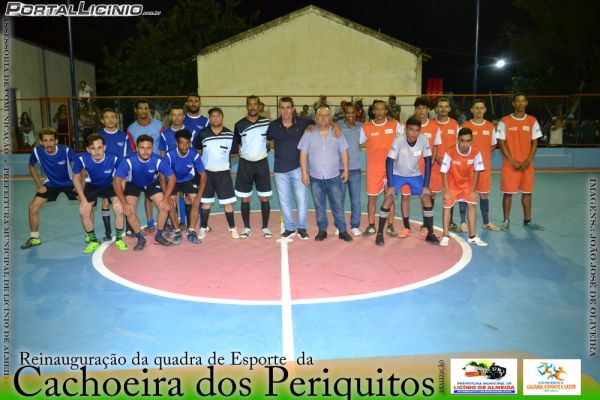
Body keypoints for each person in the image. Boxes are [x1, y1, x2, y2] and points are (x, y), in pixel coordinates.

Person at [374, 117, 437, 246]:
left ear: (420, 131)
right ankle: (379, 234)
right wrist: (391, 185)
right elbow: (389, 161)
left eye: (417, 130)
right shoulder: (399, 140)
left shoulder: (424, 139)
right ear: (406, 129)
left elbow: (428, 162)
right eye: (411, 130)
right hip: (397, 174)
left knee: (426, 197)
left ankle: (430, 233)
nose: (413, 133)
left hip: (415, 174)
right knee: (388, 198)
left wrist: (426, 185)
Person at [113, 134, 176, 250]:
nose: (145, 151)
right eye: (142, 148)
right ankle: (140, 238)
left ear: (152, 148)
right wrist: (124, 203)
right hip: (133, 184)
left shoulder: (158, 160)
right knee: (129, 211)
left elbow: (172, 177)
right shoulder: (128, 160)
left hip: (150, 184)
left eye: (149, 148)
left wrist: (167, 198)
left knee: (164, 207)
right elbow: (116, 181)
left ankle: (159, 236)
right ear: (136, 148)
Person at [299, 106, 352, 242]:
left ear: (330, 118)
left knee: (338, 205)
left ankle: (342, 230)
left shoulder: (337, 133)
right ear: (315, 118)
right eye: (320, 115)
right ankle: (322, 230)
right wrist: (304, 173)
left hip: (333, 177)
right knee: (319, 206)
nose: (323, 118)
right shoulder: (309, 133)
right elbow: (303, 153)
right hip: (315, 178)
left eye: (326, 116)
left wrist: (346, 170)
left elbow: (344, 151)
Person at [21, 128, 77, 249]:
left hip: (70, 183)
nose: (49, 143)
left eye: (51, 140)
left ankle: (91, 236)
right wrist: (39, 185)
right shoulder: (37, 152)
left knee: (88, 203)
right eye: (45, 141)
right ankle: (35, 238)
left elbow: (80, 166)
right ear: (41, 142)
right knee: (33, 207)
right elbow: (31, 165)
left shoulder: (66, 151)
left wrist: (80, 186)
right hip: (51, 184)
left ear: (56, 141)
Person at [266, 96, 314, 239]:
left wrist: (312, 126)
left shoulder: (303, 122)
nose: (285, 111)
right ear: (279, 109)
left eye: (288, 107)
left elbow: (319, 122)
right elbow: (267, 139)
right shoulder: (273, 125)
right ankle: (289, 228)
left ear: (293, 109)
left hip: (298, 168)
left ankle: (302, 227)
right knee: (284, 201)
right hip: (280, 170)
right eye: (282, 107)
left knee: (301, 200)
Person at [72, 134, 127, 253]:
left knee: (119, 208)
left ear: (104, 147)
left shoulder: (114, 159)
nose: (97, 152)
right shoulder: (82, 158)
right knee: (84, 210)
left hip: (110, 185)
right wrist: (83, 200)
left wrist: (120, 198)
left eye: (99, 147)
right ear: (88, 149)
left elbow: (122, 178)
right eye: (93, 148)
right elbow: (75, 178)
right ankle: (93, 241)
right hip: (92, 186)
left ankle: (118, 239)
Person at [496, 93, 544, 230]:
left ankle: (528, 220)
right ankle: (506, 221)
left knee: (527, 193)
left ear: (526, 103)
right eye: (517, 101)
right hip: (510, 165)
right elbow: (501, 142)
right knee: (508, 193)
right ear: (513, 103)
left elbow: (535, 142)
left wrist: (529, 160)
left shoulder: (532, 120)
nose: (520, 104)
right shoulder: (504, 121)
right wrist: (511, 160)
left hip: (527, 164)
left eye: (523, 101)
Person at [193, 107, 240, 239]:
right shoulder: (202, 133)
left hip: (223, 174)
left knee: (228, 203)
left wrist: (222, 159)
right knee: (206, 202)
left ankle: (233, 228)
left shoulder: (230, 135)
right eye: (212, 116)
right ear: (210, 119)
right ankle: (203, 227)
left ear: (222, 117)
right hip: (207, 174)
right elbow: (198, 151)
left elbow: (235, 152)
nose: (215, 118)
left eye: (218, 116)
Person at [360, 99, 403, 237]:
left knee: (390, 197)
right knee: (372, 198)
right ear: (373, 111)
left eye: (382, 109)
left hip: (391, 169)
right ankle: (372, 225)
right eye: (376, 109)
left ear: (386, 111)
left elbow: (406, 139)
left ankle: (390, 225)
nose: (379, 112)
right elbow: (358, 143)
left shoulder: (395, 125)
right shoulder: (366, 127)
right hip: (373, 170)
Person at [400, 97, 441, 237]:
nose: (421, 110)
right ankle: (406, 227)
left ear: (428, 110)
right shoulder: (405, 125)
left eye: (424, 108)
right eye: (418, 108)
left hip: (427, 169)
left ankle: (425, 224)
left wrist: (432, 161)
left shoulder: (435, 127)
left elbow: (435, 147)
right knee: (405, 196)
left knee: (427, 196)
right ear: (415, 109)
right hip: (407, 169)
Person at [439, 128, 488, 247]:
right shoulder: (450, 152)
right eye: (462, 141)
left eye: (468, 141)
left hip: (467, 184)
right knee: (447, 207)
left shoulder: (476, 152)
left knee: (472, 205)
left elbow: (477, 171)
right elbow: (444, 171)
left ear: (472, 141)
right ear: (457, 140)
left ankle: (472, 236)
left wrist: (473, 190)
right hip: (452, 184)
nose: (465, 144)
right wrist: (446, 190)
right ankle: (445, 235)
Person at [234, 95, 273, 239]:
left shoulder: (267, 122)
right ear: (246, 106)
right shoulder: (239, 124)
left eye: (255, 104)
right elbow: (237, 145)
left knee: (264, 198)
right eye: (249, 104)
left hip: (262, 164)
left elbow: (270, 141)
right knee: (245, 198)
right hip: (245, 165)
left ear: (259, 106)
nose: (252, 107)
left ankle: (265, 227)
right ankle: (246, 228)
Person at [461, 99, 500, 231]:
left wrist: (482, 155)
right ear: (471, 110)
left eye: (481, 108)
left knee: (483, 194)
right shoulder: (465, 125)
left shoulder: (490, 126)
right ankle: (463, 223)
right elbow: (460, 144)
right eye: (476, 108)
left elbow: (494, 144)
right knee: (464, 193)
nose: (478, 110)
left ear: (485, 110)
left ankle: (486, 222)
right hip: (467, 167)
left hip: (484, 168)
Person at [127, 99, 165, 232]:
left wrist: (162, 166)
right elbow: (132, 150)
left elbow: (162, 146)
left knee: (156, 196)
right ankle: (149, 222)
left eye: (146, 108)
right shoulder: (131, 129)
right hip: (139, 168)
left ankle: (164, 224)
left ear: (149, 110)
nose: (144, 111)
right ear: (136, 110)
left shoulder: (159, 125)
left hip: (156, 167)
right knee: (143, 197)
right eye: (141, 108)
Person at [164, 129, 207, 244]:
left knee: (195, 202)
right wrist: (166, 196)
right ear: (177, 143)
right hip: (173, 180)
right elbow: (161, 176)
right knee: (171, 204)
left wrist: (199, 195)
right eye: (181, 143)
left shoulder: (194, 155)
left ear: (190, 143)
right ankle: (177, 232)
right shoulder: (169, 155)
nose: (184, 145)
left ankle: (191, 232)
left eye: (187, 142)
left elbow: (203, 175)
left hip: (188, 179)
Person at [98, 108, 135, 241]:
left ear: (116, 119)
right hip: (103, 175)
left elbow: (128, 155)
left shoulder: (124, 136)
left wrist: (124, 173)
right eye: (107, 117)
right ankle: (108, 232)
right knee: (105, 203)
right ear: (102, 120)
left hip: (120, 175)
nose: (110, 120)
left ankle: (128, 229)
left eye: (113, 117)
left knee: (121, 200)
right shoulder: (98, 136)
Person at [434, 97, 460, 230]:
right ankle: (428, 223)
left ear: (449, 109)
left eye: (446, 106)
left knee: (450, 193)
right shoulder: (431, 124)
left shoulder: (455, 124)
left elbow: (458, 144)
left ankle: (449, 222)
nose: (443, 109)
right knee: (430, 194)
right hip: (434, 164)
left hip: (450, 166)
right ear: (436, 109)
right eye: (440, 106)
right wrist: (436, 157)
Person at [339, 102, 363, 236]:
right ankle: (340, 225)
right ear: (344, 113)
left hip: (355, 169)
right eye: (347, 113)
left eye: (352, 112)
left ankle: (355, 225)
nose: (350, 115)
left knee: (355, 199)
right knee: (339, 199)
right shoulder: (337, 126)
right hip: (340, 169)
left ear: (356, 113)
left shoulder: (361, 127)